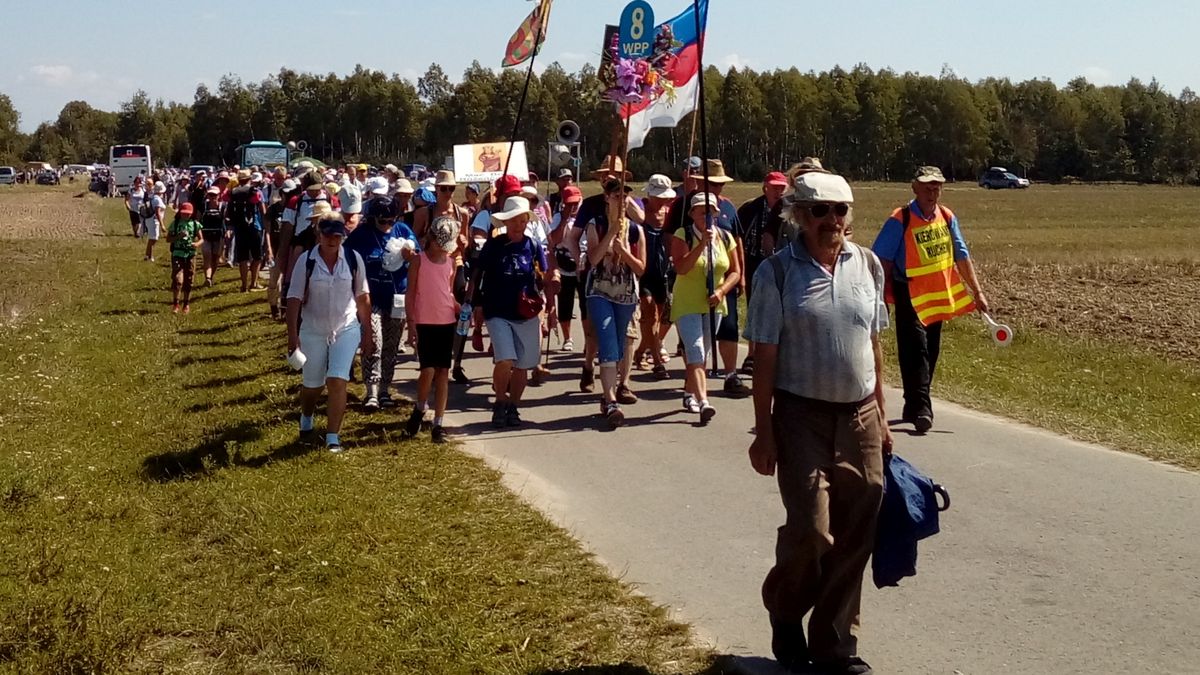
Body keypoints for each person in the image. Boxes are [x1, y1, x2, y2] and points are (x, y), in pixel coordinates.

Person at [744, 171, 892, 675]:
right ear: (799, 216)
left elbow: (872, 345)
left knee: (857, 531)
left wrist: (883, 416)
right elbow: (764, 356)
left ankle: (834, 648)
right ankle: (785, 609)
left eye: (840, 210)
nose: (833, 220)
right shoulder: (777, 273)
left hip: (861, 415)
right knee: (812, 531)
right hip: (800, 413)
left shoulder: (868, 265)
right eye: (821, 211)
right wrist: (764, 431)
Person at [871, 165, 990, 433]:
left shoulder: (946, 217)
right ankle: (923, 408)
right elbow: (882, 260)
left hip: (937, 295)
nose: (932, 191)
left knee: (931, 352)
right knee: (916, 351)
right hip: (908, 293)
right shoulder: (899, 219)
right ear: (915, 188)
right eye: (926, 186)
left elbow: (961, 254)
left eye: (936, 187)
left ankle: (913, 404)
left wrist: (978, 292)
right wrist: (880, 298)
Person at [286, 216, 372, 454]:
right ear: (319, 235)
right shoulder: (307, 261)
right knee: (312, 386)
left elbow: (363, 298)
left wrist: (368, 334)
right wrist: (293, 337)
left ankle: (333, 436)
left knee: (337, 379)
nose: (333, 240)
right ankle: (307, 414)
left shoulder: (353, 260)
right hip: (313, 329)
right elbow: (294, 300)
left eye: (337, 236)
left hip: (345, 328)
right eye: (328, 235)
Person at [474, 196, 548, 428]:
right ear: (506, 221)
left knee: (523, 364)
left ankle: (513, 406)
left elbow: (543, 277)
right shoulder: (494, 246)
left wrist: (549, 303)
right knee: (505, 359)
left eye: (523, 219)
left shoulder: (533, 246)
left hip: (526, 313)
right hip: (497, 310)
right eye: (514, 219)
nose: (519, 223)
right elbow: (478, 274)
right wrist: (475, 302)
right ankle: (499, 403)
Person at [669, 192, 741, 424]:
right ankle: (704, 402)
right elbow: (681, 268)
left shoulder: (726, 237)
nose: (707, 216)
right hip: (687, 302)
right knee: (696, 350)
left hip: (714, 304)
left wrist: (721, 291)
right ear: (692, 214)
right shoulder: (683, 235)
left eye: (710, 211)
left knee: (702, 354)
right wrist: (702, 245)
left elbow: (735, 272)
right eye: (702, 212)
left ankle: (689, 393)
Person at [582, 182, 647, 427]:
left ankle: (608, 392)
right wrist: (610, 234)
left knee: (620, 344)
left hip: (625, 294)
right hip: (599, 291)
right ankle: (610, 400)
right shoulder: (595, 225)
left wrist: (625, 252)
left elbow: (641, 268)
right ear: (607, 198)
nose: (622, 201)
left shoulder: (635, 231)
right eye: (617, 196)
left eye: (625, 197)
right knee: (607, 340)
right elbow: (593, 259)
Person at [345, 196, 418, 410]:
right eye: (382, 221)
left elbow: (419, 259)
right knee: (373, 340)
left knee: (392, 345)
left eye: (390, 221)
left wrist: (409, 256)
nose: (387, 226)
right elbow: (346, 259)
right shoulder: (362, 235)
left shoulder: (403, 230)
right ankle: (372, 391)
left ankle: (386, 388)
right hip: (371, 297)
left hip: (397, 297)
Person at [405, 216, 461, 444]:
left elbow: (447, 290)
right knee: (427, 369)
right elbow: (410, 293)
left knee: (443, 372)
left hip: (446, 321)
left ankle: (438, 423)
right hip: (425, 322)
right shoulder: (419, 261)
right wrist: (410, 322)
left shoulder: (450, 262)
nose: (442, 248)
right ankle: (420, 407)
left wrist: (458, 306)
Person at [736, 171, 790, 375]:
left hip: (782, 264)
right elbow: (738, 235)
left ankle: (775, 354)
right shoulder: (751, 208)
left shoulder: (789, 207)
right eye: (774, 187)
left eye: (781, 187)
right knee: (755, 306)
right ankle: (751, 354)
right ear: (765, 187)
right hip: (754, 262)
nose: (778, 191)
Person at [634, 174, 676, 380]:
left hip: (663, 270)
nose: (663, 201)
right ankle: (657, 361)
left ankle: (641, 350)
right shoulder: (639, 210)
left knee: (659, 315)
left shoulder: (669, 212)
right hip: (643, 269)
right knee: (648, 309)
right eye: (659, 196)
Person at [549, 185, 582, 351]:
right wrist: (563, 219)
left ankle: (590, 338)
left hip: (583, 265)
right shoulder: (557, 217)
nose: (573, 207)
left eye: (576, 203)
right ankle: (567, 338)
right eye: (570, 203)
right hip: (564, 266)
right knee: (565, 302)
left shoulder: (586, 218)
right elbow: (553, 240)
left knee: (586, 305)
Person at [226, 169, 267, 292]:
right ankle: (253, 283)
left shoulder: (233, 192)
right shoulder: (255, 191)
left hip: (239, 227)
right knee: (257, 256)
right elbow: (262, 210)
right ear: (250, 179)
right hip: (254, 226)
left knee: (242, 257)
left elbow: (228, 210)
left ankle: (244, 285)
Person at [166, 202, 203, 313]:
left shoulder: (195, 224)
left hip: (190, 254)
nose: (185, 216)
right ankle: (176, 303)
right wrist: (178, 236)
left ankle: (186, 303)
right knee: (178, 279)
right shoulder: (175, 223)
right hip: (178, 253)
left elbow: (201, 239)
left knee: (189, 278)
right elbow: (168, 239)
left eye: (188, 214)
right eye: (183, 214)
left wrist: (196, 244)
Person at [198, 186, 225, 287]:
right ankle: (207, 278)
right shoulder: (203, 206)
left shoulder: (223, 206)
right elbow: (198, 219)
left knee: (215, 258)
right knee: (207, 257)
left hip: (218, 236)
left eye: (215, 195)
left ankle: (211, 276)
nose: (212, 197)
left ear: (219, 195)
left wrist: (227, 231)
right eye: (210, 195)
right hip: (206, 236)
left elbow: (226, 220)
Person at [143, 182, 168, 262]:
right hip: (154, 220)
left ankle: (147, 255)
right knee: (154, 238)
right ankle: (150, 256)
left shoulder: (153, 197)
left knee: (152, 238)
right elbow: (158, 213)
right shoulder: (157, 199)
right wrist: (162, 225)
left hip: (151, 219)